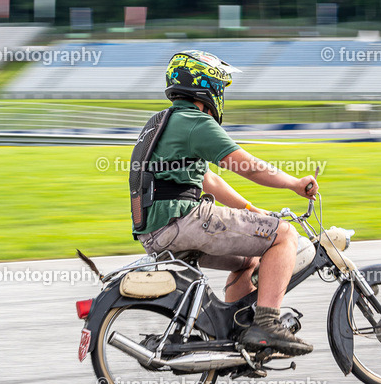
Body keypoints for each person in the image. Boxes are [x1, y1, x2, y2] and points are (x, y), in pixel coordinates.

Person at [133, 50, 318, 356]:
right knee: (283, 235)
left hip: (156, 232)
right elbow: (248, 165)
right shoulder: (194, 122)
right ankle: (267, 325)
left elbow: (209, 181)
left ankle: (238, 337)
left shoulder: (162, 123)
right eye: (219, 87)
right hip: (184, 220)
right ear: (205, 87)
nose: (221, 95)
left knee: (248, 261)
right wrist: (294, 183)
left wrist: (251, 211)